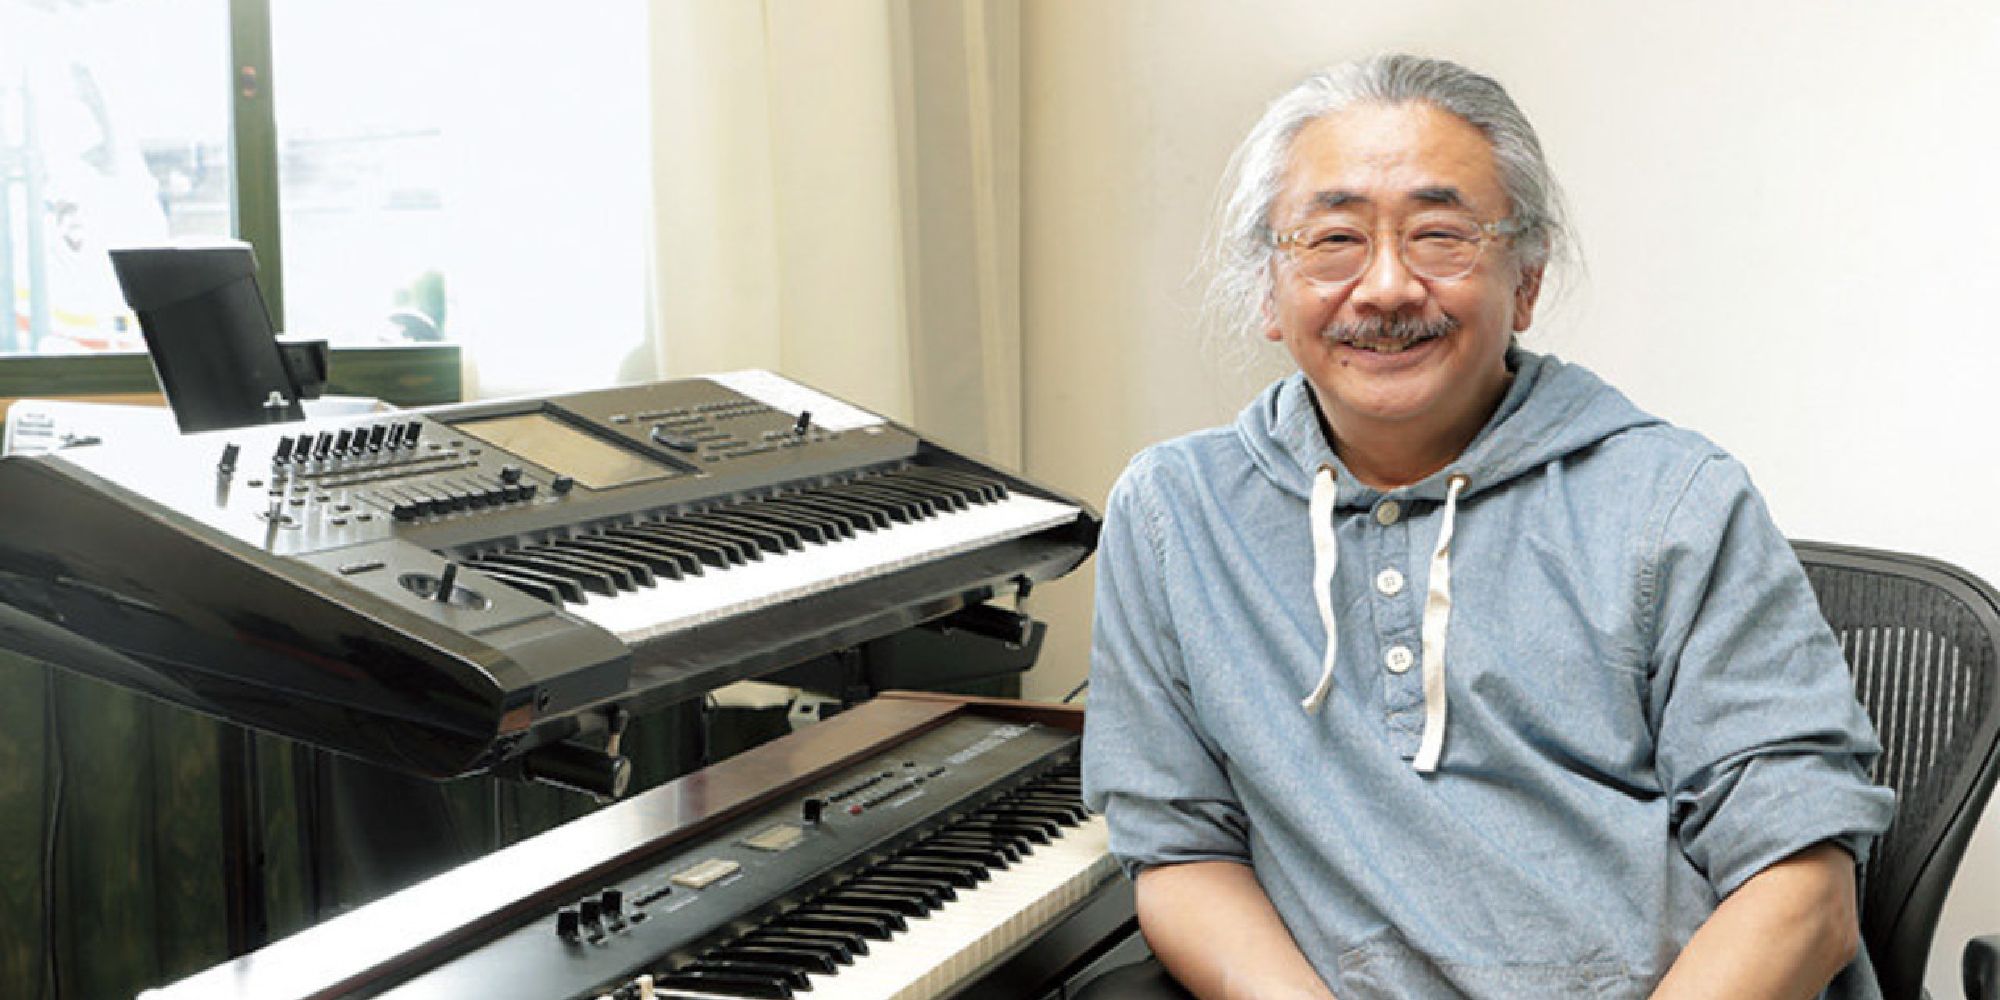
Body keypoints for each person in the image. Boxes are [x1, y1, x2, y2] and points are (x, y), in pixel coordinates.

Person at [1079, 53, 1895, 1000]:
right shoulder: (1176, 514)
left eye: (1441, 235)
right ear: (1270, 288)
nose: (1385, 288)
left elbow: (1806, 891)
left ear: (1529, 280)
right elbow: (1179, 852)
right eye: (1333, 238)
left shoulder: (1676, 499)